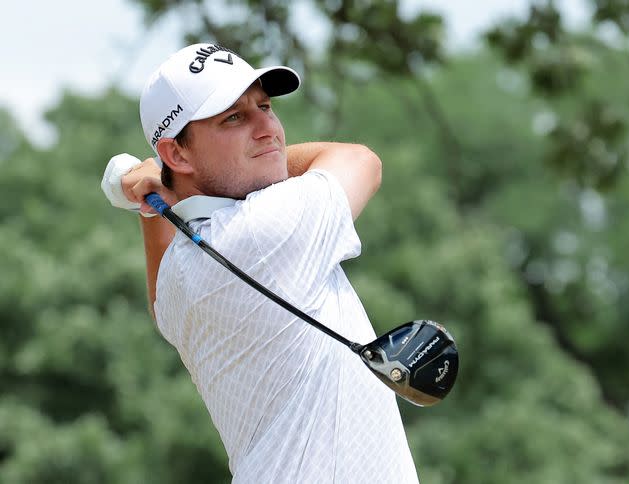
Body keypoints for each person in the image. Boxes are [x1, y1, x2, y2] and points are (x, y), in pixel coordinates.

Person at [100, 43, 419, 483]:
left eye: (265, 106)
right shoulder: (266, 230)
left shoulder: (180, 275)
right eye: (234, 117)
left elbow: (158, 302)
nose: (267, 127)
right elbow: (362, 161)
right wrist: (157, 182)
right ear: (178, 153)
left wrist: (156, 196)